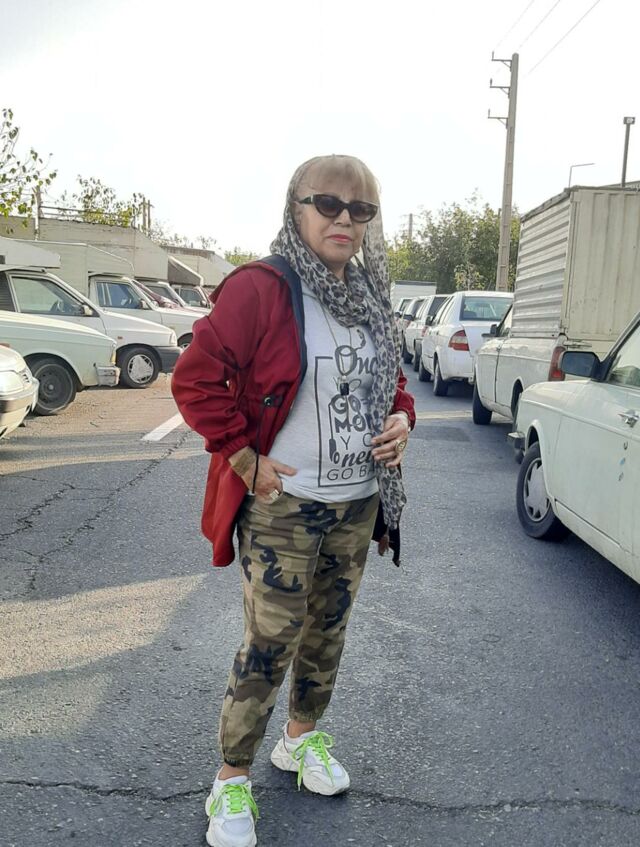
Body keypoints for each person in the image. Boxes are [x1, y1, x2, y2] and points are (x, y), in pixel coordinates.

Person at [171, 154, 415, 847]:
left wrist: (403, 419)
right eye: (327, 204)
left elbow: (392, 383)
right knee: (270, 641)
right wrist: (245, 458)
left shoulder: (370, 295)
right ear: (296, 207)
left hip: (357, 503)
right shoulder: (264, 288)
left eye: (360, 209)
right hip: (287, 504)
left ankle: (299, 741)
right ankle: (231, 778)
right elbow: (194, 379)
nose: (344, 219)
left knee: (326, 633)